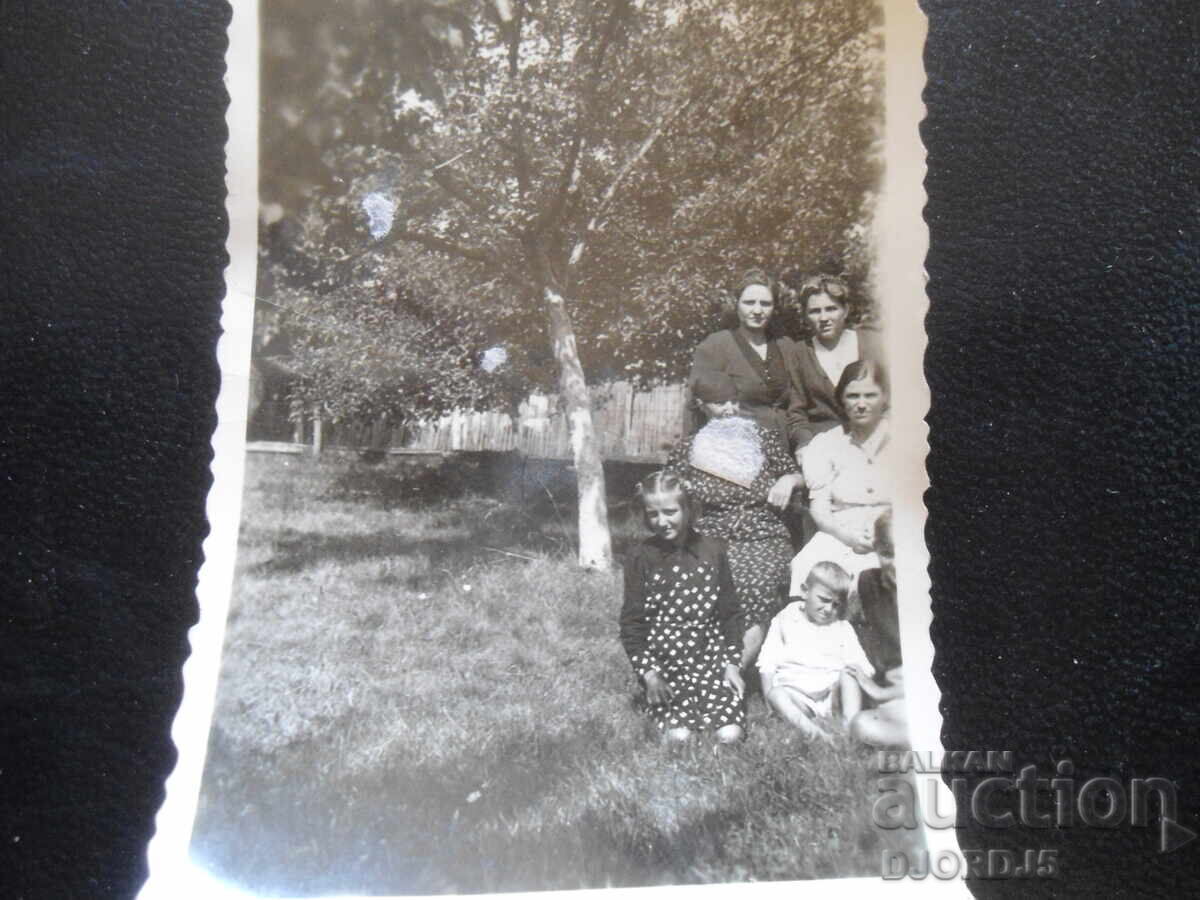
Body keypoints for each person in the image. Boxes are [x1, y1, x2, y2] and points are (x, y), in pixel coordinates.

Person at [666, 370, 805, 671]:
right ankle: (693, 669)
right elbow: (665, 491)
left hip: (762, 531)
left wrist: (788, 481)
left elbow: (795, 474)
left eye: (733, 402)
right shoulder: (689, 448)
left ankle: (728, 678)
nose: (729, 410)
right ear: (702, 406)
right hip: (711, 531)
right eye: (719, 404)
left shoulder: (761, 438)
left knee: (756, 587)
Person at [618, 471, 746, 744]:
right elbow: (632, 624)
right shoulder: (640, 557)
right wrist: (650, 676)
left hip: (711, 664)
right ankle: (672, 715)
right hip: (667, 670)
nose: (662, 522)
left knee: (730, 734)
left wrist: (732, 664)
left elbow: (730, 614)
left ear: (688, 508)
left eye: (670, 511)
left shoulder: (713, 551)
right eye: (653, 514)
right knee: (678, 738)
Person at [788, 359, 892, 589]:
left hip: (895, 531)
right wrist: (849, 538)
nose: (861, 404)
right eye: (853, 396)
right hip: (842, 533)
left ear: (885, 397)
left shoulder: (904, 439)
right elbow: (820, 510)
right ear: (842, 401)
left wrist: (885, 534)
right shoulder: (827, 444)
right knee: (806, 567)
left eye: (870, 395)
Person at [689, 268, 815, 455]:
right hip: (736, 452)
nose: (757, 310)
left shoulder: (786, 346)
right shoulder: (715, 346)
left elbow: (799, 404)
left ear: (774, 307)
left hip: (785, 452)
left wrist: (804, 443)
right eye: (749, 303)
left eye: (765, 304)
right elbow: (695, 407)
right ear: (736, 304)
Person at [757, 561, 873, 742]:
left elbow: (862, 664)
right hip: (796, 694)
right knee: (776, 694)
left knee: (850, 674)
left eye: (836, 605)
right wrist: (769, 700)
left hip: (831, 695)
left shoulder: (841, 627)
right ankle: (811, 731)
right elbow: (767, 661)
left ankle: (850, 726)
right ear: (804, 591)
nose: (829, 609)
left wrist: (851, 679)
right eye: (824, 600)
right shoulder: (785, 619)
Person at [790, 275, 883, 458]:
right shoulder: (799, 353)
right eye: (815, 311)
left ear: (845, 310)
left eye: (831, 309)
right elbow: (796, 413)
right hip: (824, 450)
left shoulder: (872, 344)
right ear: (806, 316)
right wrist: (805, 446)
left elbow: (893, 400)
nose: (824, 317)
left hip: (876, 444)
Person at [846, 510, 908, 747]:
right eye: (887, 554)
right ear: (876, 550)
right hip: (898, 694)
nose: (896, 563)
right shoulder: (869, 583)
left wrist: (879, 693)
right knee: (863, 725)